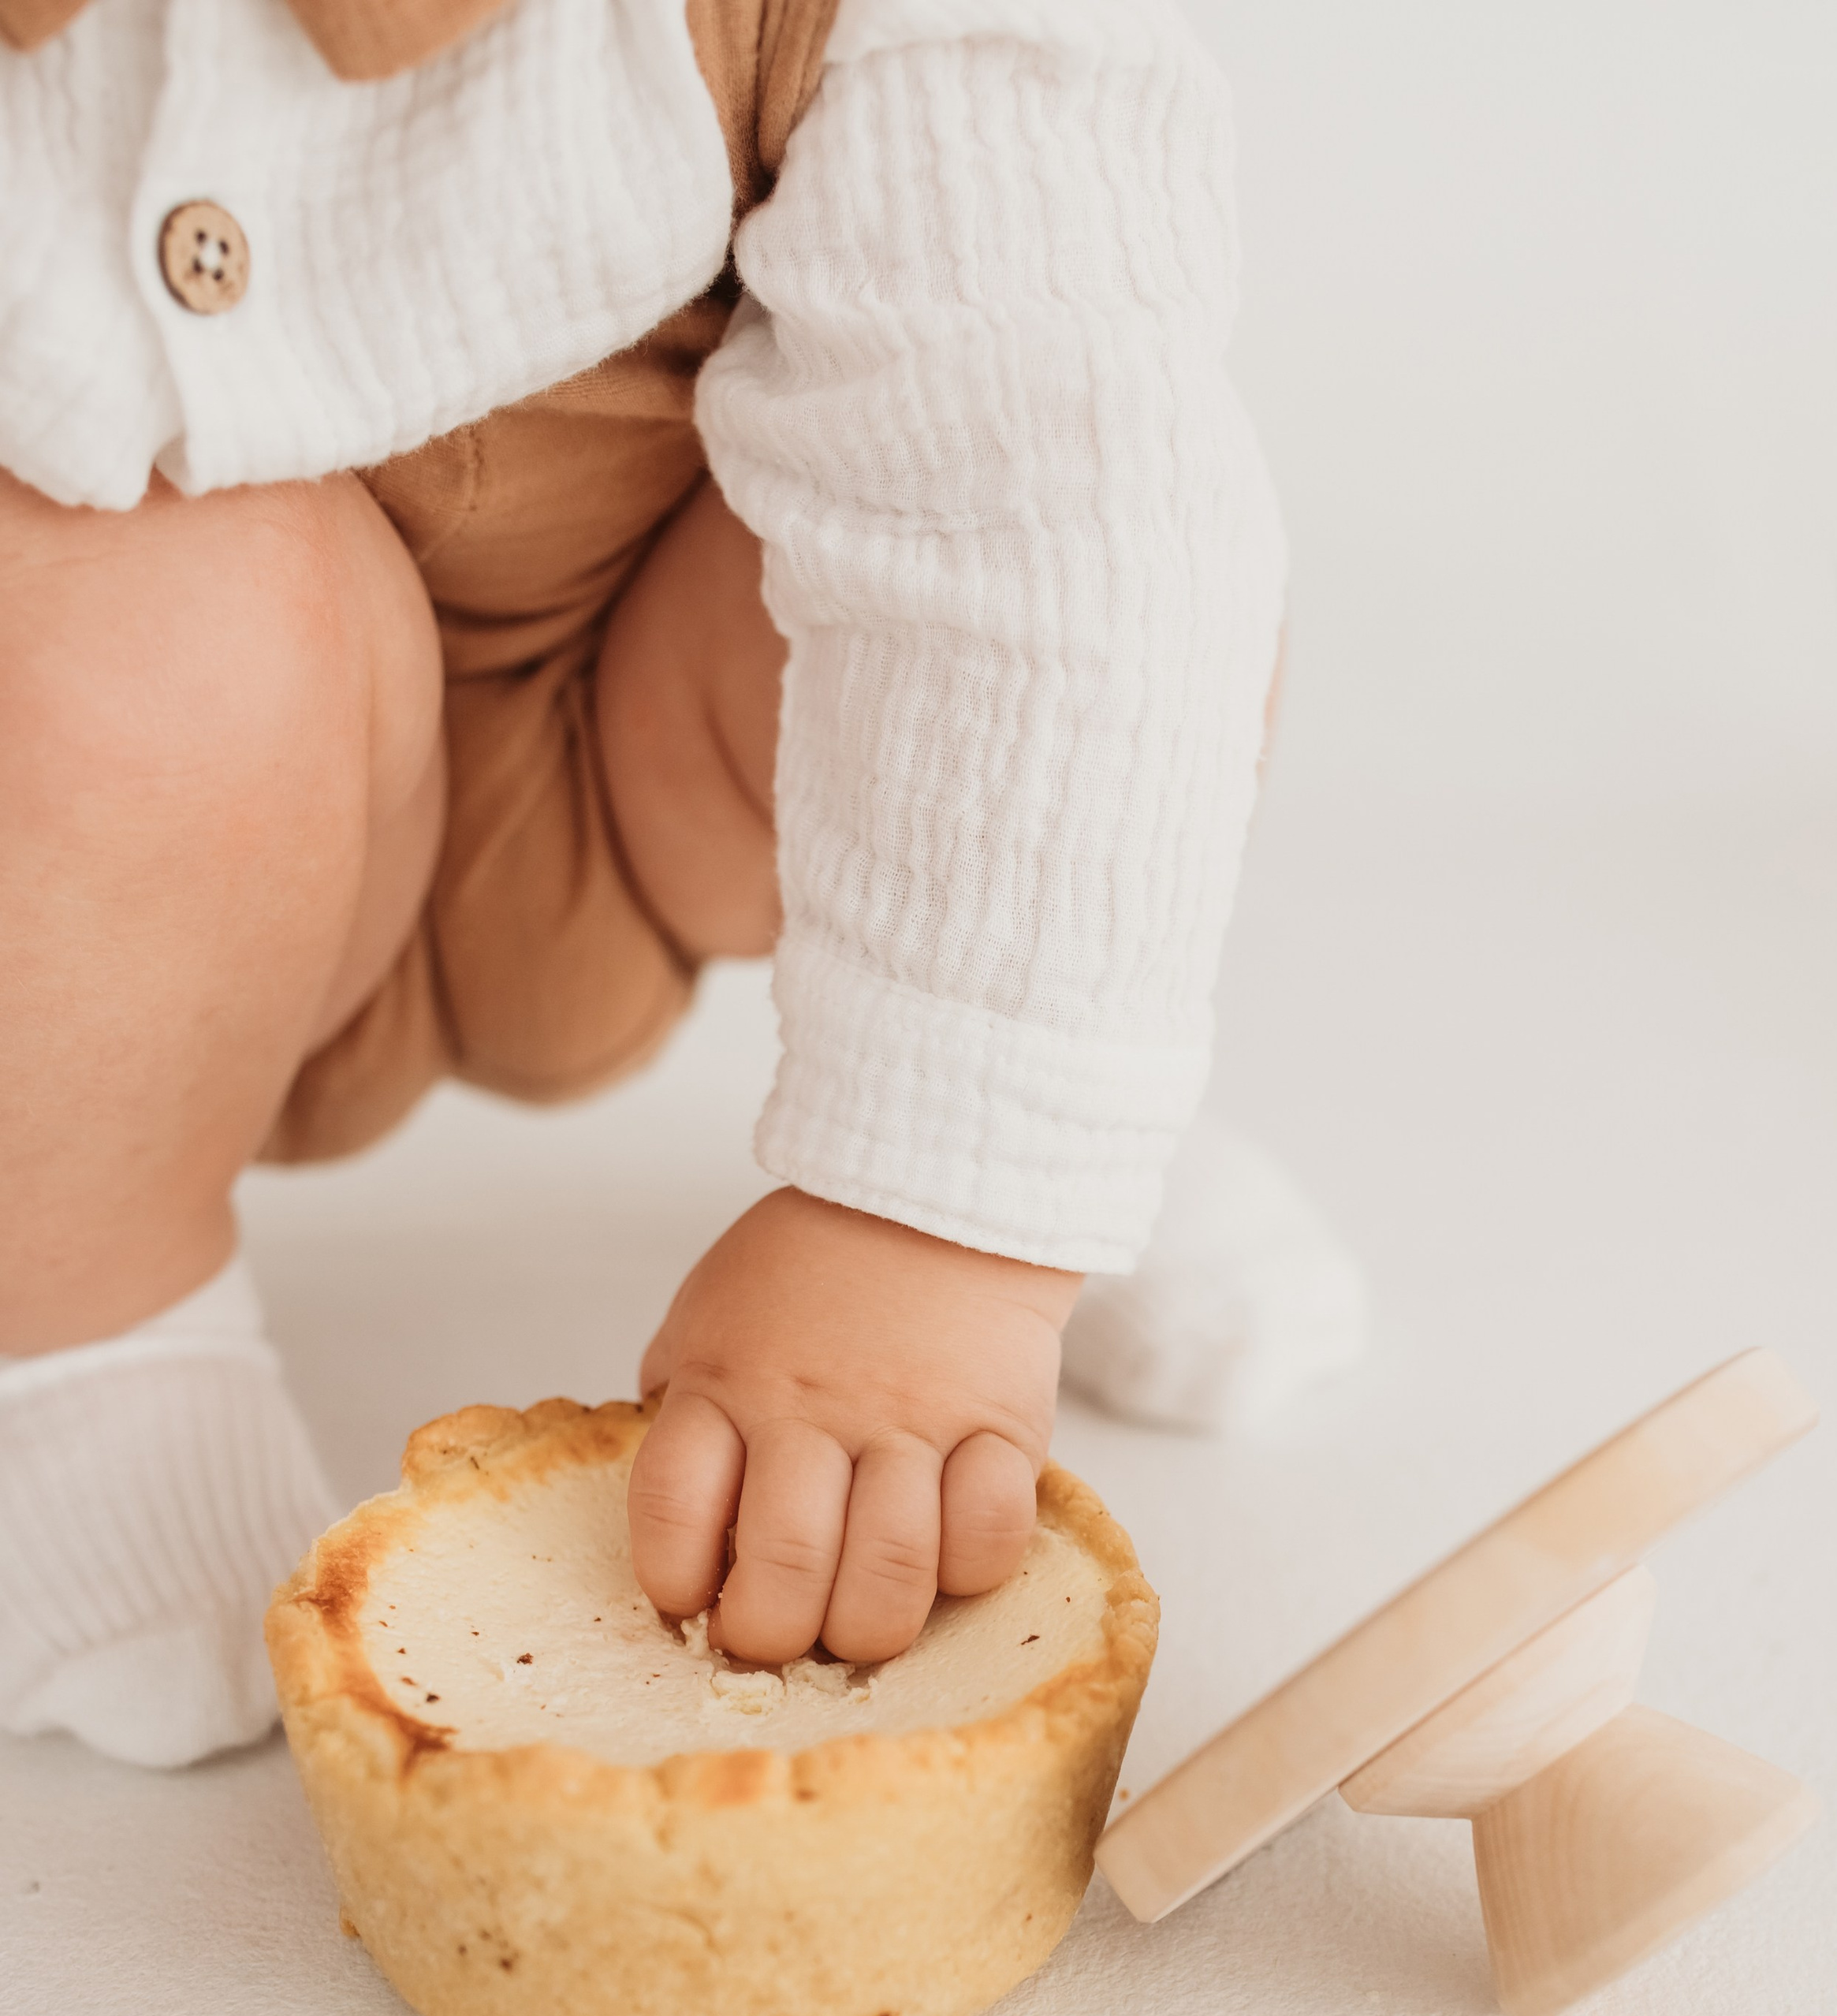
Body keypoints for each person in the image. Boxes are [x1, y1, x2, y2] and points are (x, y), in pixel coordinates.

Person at [0, 0, 1362, 1772]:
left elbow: (1062, 493)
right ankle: (83, 1319)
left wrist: (945, 1211)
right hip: (106, 880)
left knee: (1093, 524)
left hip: (663, 742)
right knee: (133, 653)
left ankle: (1050, 1106)